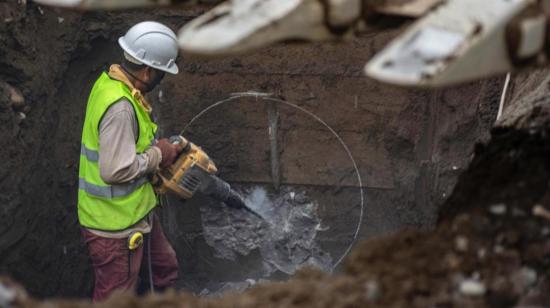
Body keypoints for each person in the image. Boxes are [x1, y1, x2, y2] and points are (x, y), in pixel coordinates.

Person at [77, 21, 182, 302]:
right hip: (114, 227)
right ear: (148, 71)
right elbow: (115, 170)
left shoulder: (111, 83)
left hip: (137, 213)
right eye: (161, 73)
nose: (162, 78)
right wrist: (158, 155)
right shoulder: (121, 108)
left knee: (164, 267)